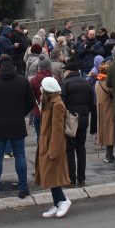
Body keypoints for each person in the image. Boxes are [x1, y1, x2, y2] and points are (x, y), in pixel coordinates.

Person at [0, 54, 35, 200]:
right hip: (17, 123)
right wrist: (21, 113)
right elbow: (31, 102)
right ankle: (23, 188)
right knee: (20, 155)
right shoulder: (23, 81)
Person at [35, 76, 72, 219]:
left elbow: (57, 130)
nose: (40, 89)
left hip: (53, 145)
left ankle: (63, 201)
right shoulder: (49, 102)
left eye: (42, 87)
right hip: (46, 144)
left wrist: (53, 150)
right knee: (50, 176)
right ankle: (57, 203)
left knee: (52, 175)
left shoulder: (57, 104)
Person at [60, 61, 93, 186]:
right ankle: (82, 178)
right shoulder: (86, 83)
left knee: (69, 150)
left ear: (69, 71)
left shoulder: (65, 84)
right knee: (81, 149)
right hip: (83, 120)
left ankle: (71, 178)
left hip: (70, 121)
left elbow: (62, 104)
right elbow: (91, 103)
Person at [93, 60, 115, 163]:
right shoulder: (108, 83)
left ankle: (109, 155)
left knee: (106, 132)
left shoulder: (98, 82)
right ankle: (109, 155)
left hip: (101, 110)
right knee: (111, 133)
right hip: (109, 110)